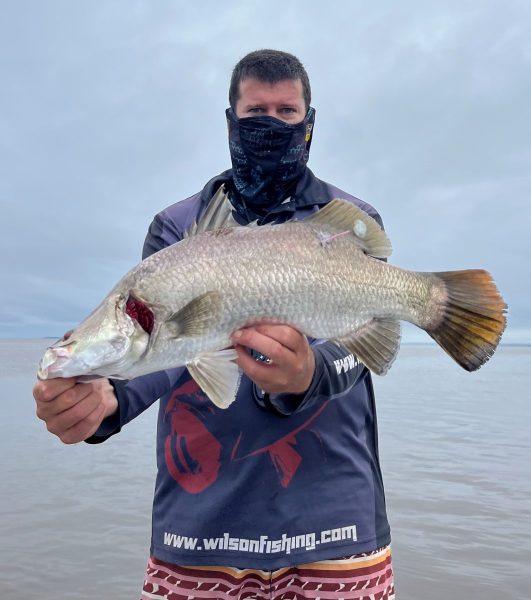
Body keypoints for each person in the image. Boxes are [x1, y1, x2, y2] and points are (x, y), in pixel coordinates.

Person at [33, 49, 395, 600]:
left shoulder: (349, 220)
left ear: (309, 122)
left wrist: (310, 373)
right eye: (255, 112)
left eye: (287, 111)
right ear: (231, 121)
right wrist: (108, 398)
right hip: (201, 528)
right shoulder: (176, 227)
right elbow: (167, 351)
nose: (271, 124)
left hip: (334, 525)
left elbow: (367, 344)